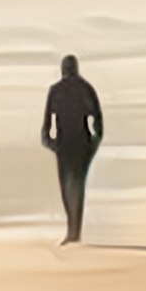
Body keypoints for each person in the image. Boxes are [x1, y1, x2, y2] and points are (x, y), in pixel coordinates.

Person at [41, 53, 103, 244]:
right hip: (80, 143)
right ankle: (74, 230)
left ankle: (73, 231)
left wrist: (50, 142)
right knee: (77, 186)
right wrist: (94, 142)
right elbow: (97, 119)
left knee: (67, 187)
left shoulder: (56, 91)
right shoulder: (86, 89)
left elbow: (46, 124)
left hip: (65, 145)